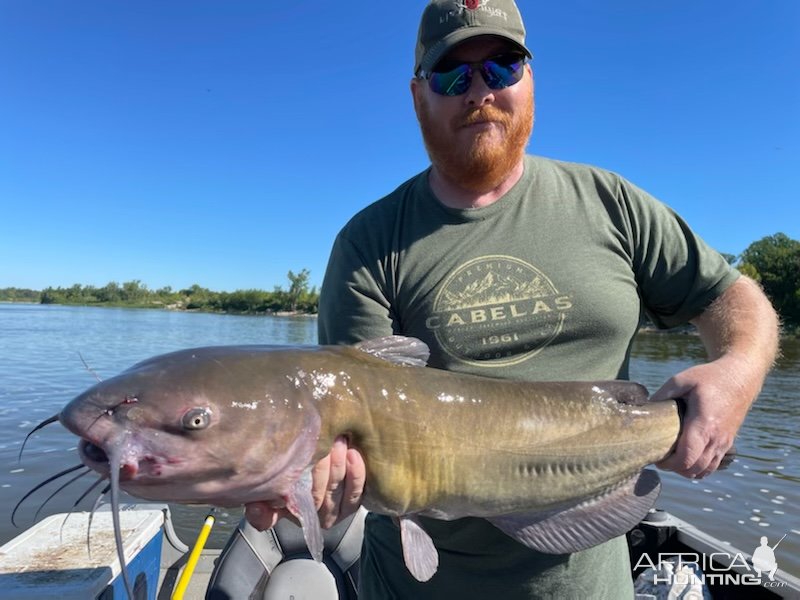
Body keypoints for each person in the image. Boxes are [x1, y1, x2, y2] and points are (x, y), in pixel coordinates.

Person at [245, 0, 780, 597]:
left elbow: (732, 299)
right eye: (453, 75)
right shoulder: (369, 244)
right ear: (418, 96)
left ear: (531, 82)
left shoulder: (614, 204)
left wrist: (738, 372)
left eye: (502, 68)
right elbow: (348, 422)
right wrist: (300, 476)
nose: (480, 91)